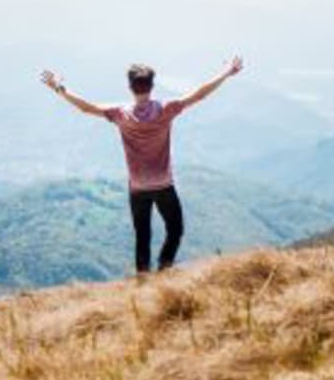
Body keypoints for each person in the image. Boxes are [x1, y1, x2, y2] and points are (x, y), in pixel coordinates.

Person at [39, 56, 245, 276]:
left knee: (142, 235)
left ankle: (142, 280)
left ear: (130, 87)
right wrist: (225, 73)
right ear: (152, 86)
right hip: (163, 184)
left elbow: (86, 108)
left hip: (138, 187)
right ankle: (165, 268)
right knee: (175, 230)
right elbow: (200, 94)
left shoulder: (121, 114)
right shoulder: (167, 109)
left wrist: (58, 87)